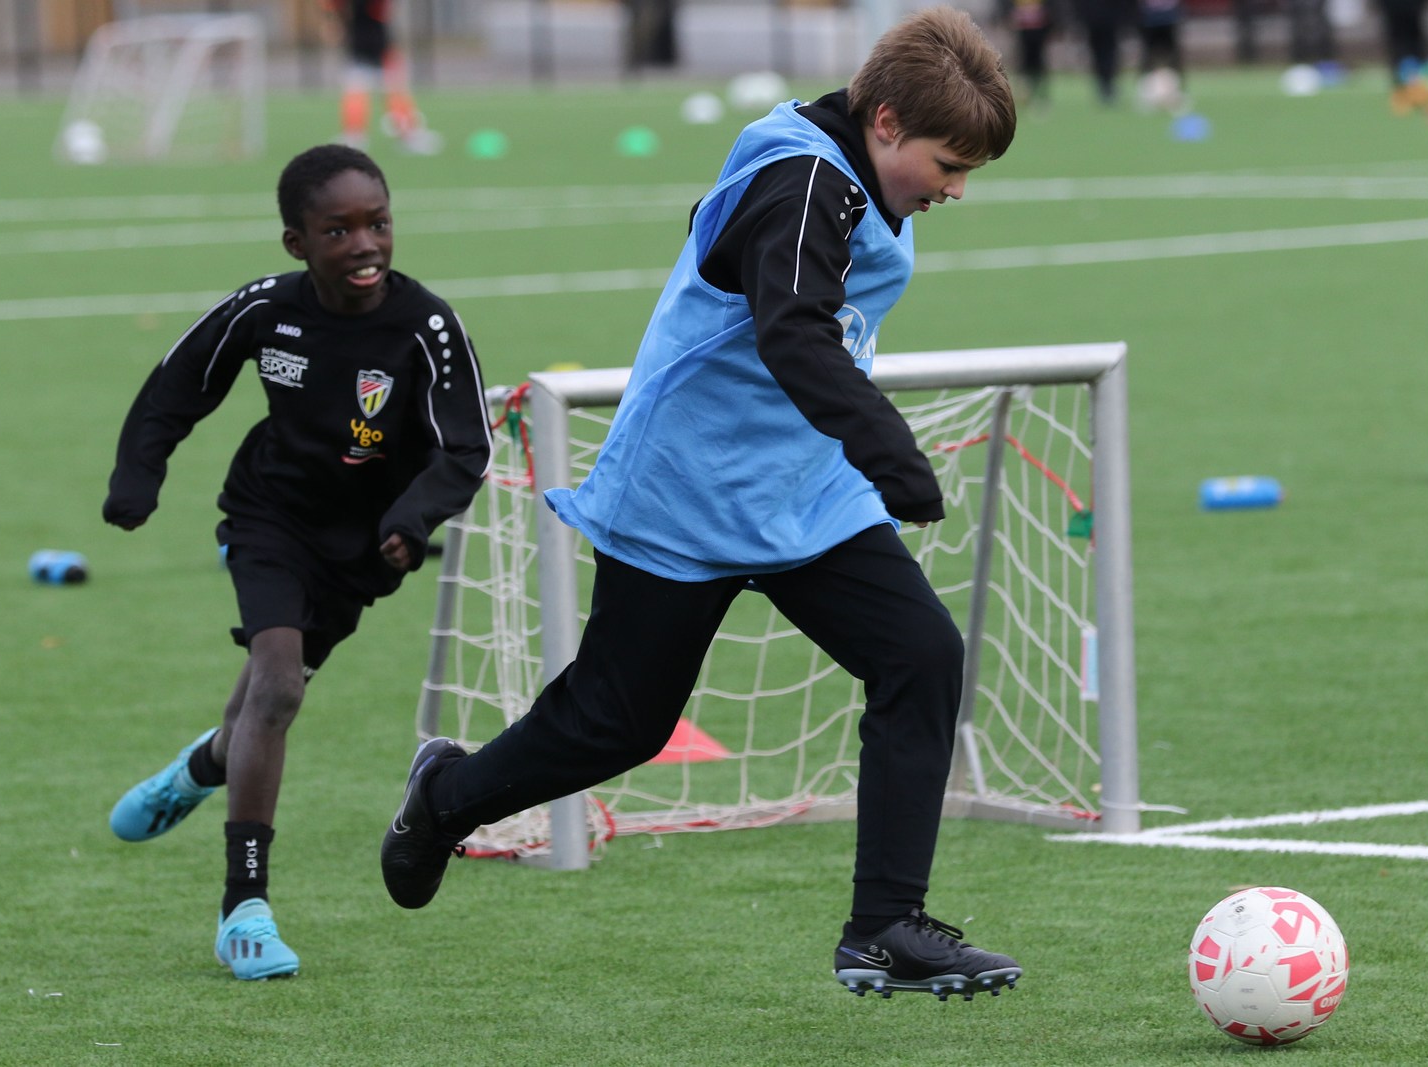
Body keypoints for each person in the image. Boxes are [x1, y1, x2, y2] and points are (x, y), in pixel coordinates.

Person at [379, 6, 1024, 1000]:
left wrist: (860, 457)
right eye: (948, 165)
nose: (956, 189)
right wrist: (888, 448)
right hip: (685, 490)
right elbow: (792, 330)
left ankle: (884, 928)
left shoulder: (844, 178)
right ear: (886, 122)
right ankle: (446, 795)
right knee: (616, 723)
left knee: (921, 655)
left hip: (802, 493)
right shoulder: (801, 181)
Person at [104, 144, 492, 980]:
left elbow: (467, 447)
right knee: (278, 686)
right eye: (338, 230)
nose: (365, 244)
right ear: (297, 242)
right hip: (269, 516)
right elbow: (179, 382)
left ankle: (200, 768)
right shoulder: (265, 309)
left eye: (377, 223)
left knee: (262, 704)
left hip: (363, 548)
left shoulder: (426, 326)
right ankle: (244, 906)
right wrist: (139, 475)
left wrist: (411, 517)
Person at [327, 0, 441, 154]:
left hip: (372, 45)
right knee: (365, 91)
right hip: (370, 46)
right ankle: (355, 136)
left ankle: (408, 134)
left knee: (388, 92)